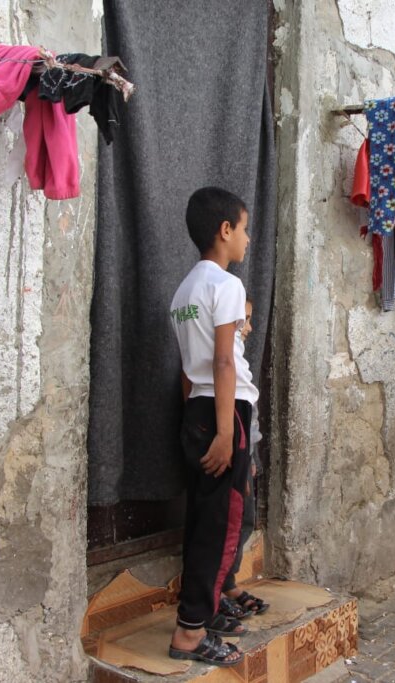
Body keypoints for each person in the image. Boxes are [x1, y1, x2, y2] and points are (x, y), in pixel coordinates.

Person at [167, 186, 258, 667]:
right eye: (244, 229)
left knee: (202, 520)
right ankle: (189, 633)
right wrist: (225, 432)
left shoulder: (184, 290)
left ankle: (202, 614)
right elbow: (224, 362)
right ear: (225, 231)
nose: (247, 239)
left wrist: (197, 422)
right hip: (225, 412)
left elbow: (189, 369)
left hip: (197, 409)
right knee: (220, 523)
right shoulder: (226, 286)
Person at [217, 298, 270, 621]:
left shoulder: (237, 360)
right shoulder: (224, 362)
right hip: (231, 450)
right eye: (244, 320)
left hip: (243, 452)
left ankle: (228, 582)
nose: (249, 327)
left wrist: (249, 457)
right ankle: (219, 587)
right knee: (228, 522)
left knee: (243, 519)